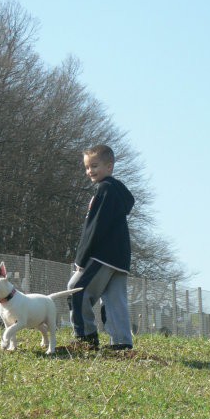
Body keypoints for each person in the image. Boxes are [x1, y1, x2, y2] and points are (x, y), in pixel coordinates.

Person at [68, 144, 135, 350]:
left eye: (95, 166)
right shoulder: (117, 191)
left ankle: (85, 337)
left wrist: (81, 259)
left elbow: (95, 227)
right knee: (115, 300)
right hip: (120, 258)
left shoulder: (104, 190)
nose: (90, 171)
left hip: (101, 256)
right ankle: (122, 342)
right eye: (87, 167)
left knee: (76, 291)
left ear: (110, 166)